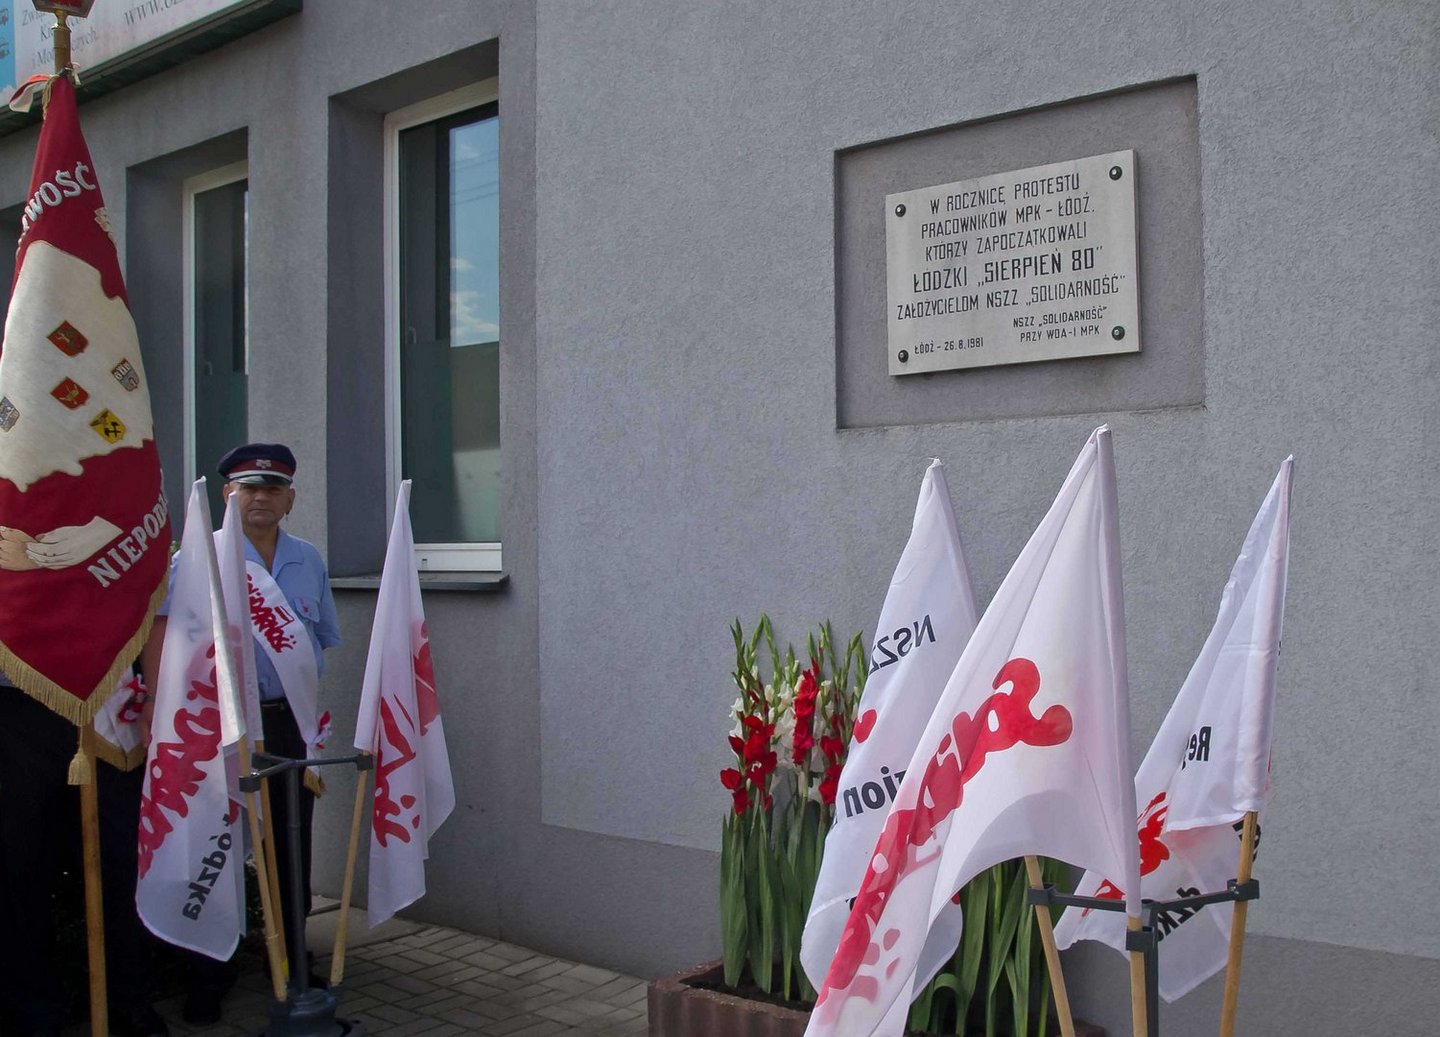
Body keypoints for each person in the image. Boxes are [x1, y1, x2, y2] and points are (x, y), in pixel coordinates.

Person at [143, 442, 341, 1025]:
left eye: (273, 489)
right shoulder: (198, 559)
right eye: (249, 488)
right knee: (217, 839)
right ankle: (209, 970)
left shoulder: (307, 559)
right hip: (218, 729)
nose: (261, 498)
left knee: (290, 839)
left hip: (285, 722)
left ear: (290, 499)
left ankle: (292, 958)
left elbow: (320, 638)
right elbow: (168, 639)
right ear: (229, 495)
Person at [0, 677, 169, 1037]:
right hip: (14, 703)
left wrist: (155, 696)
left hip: (106, 702)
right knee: (19, 868)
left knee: (123, 862)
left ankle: (129, 1001)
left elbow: (154, 634)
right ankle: (34, 1011)